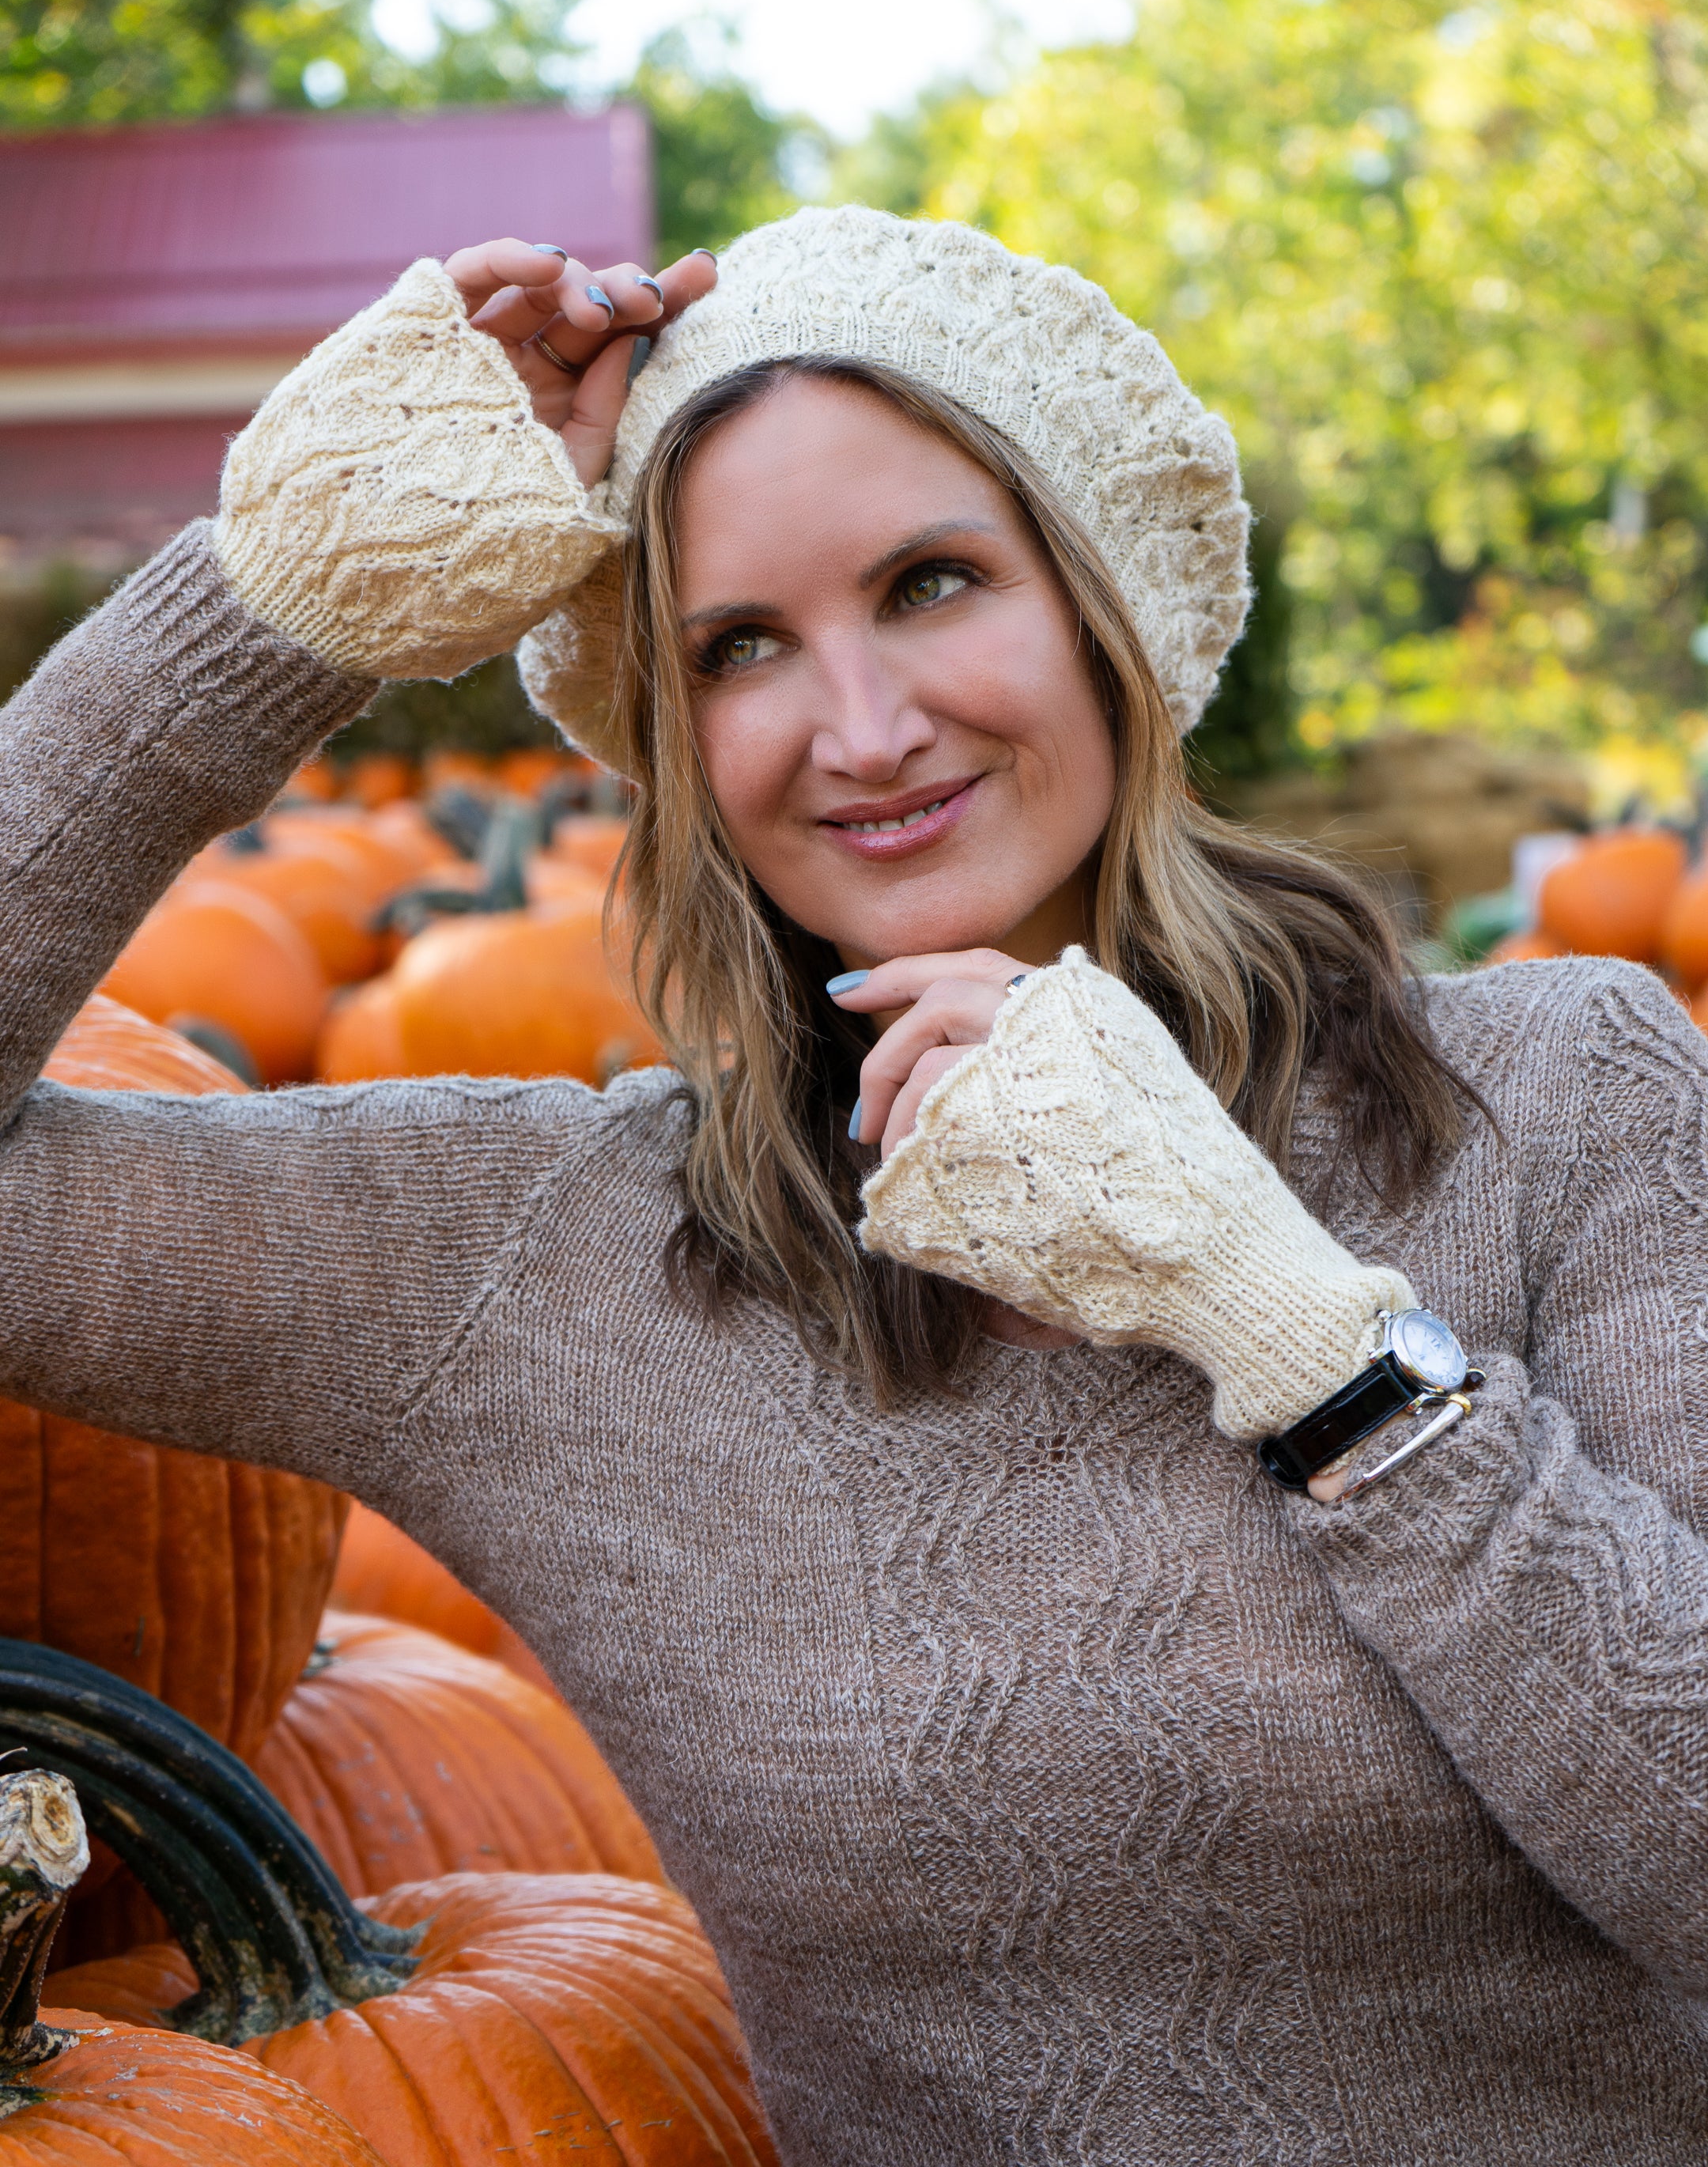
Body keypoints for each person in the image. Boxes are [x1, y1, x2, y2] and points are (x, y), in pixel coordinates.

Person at [0, 203, 1704, 2165]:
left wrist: (1303, 1337)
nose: (867, 730)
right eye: (741, 648)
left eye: (931, 582)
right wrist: (261, 617)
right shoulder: (541, 1265)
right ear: (670, 724)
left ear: (1100, 606)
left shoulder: (1559, 1096)